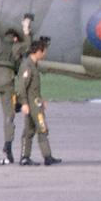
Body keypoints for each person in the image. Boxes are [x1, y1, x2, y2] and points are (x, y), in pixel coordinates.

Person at [0, 3, 31, 165]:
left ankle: (17, 104)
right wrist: (26, 29)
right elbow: (28, 46)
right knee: (9, 116)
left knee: (10, 105)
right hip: (6, 81)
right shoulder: (16, 47)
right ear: (15, 38)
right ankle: (8, 146)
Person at [17, 36, 61, 166]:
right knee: (41, 129)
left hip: (35, 101)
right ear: (38, 51)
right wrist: (24, 103)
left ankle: (25, 157)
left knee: (29, 130)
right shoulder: (27, 66)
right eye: (44, 51)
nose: (45, 54)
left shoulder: (33, 65)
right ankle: (47, 157)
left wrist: (41, 99)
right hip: (32, 104)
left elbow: (33, 87)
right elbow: (21, 87)